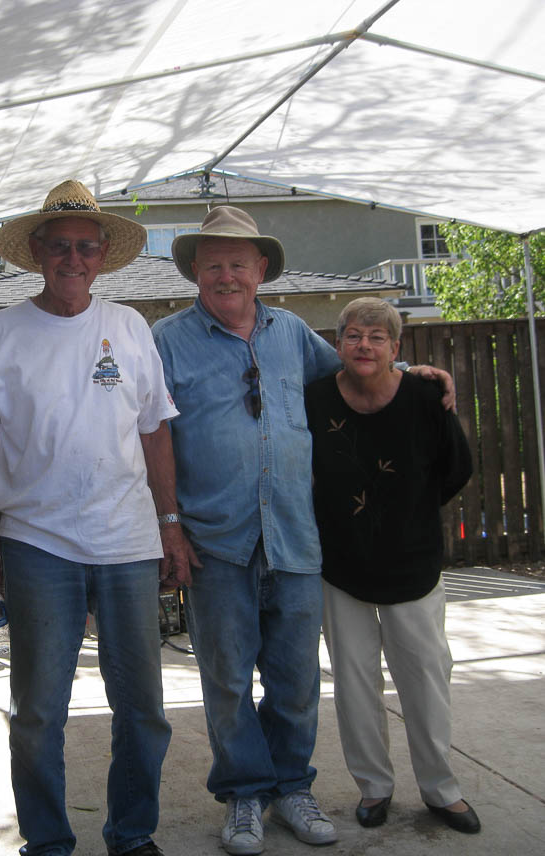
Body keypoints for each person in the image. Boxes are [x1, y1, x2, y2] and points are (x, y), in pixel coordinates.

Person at [151, 207, 454, 856]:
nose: (226, 275)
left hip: (292, 539)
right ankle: (244, 795)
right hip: (214, 544)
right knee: (227, 680)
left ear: (261, 270)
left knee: (294, 681)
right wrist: (169, 527)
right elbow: (151, 438)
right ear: (196, 272)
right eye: (213, 264)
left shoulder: (291, 334)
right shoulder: (166, 340)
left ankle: (292, 787)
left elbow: (357, 379)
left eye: (239, 263)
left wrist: (417, 378)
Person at [0, 180, 190, 856]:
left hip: (129, 542)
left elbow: (156, 432)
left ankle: (132, 832)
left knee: (142, 710)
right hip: (36, 543)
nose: (74, 259)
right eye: (61, 246)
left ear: (102, 256)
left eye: (87, 248)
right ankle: (47, 842)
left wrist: (170, 523)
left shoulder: (129, 327)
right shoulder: (1, 331)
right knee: (36, 712)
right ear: (37, 252)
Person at [304, 297, 479, 835]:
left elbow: (455, 469)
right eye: (354, 335)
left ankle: (441, 790)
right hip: (342, 568)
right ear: (338, 345)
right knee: (355, 685)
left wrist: (406, 514)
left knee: (426, 680)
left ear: (396, 349)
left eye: (378, 338)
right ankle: (374, 788)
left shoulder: (426, 397)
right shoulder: (315, 400)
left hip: (413, 566)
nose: (364, 345)